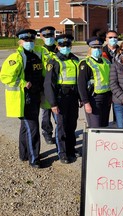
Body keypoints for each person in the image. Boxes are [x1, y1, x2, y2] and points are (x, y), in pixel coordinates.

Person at [0, 29, 46, 168]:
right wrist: (23, 83)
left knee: (25, 128)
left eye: (32, 40)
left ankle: (24, 154)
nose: (29, 43)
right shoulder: (16, 57)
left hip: (36, 96)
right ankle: (34, 159)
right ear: (20, 41)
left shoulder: (37, 53)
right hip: (24, 99)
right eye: (26, 40)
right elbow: (5, 77)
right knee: (32, 128)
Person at [44, 34, 80, 164]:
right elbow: (49, 84)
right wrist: (53, 103)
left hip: (73, 98)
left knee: (72, 125)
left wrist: (81, 97)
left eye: (68, 45)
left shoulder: (75, 60)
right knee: (62, 127)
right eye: (63, 45)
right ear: (58, 46)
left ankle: (71, 149)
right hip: (60, 98)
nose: (66, 47)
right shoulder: (54, 61)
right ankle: (63, 153)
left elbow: (79, 80)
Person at [78, 36, 112, 128]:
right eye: (94, 47)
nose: (97, 49)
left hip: (106, 98)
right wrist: (86, 102)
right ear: (90, 49)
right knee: (95, 127)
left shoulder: (107, 62)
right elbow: (81, 84)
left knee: (104, 126)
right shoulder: (86, 63)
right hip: (93, 99)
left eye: (99, 47)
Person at [39, 26, 57, 144]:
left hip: (57, 86)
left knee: (58, 113)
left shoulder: (59, 49)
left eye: (50, 35)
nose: (48, 38)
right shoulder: (39, 51)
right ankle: (47, 133)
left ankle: (61, 134)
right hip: (44, 87)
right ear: (42, 37)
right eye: (46, 36)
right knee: (46, 113)